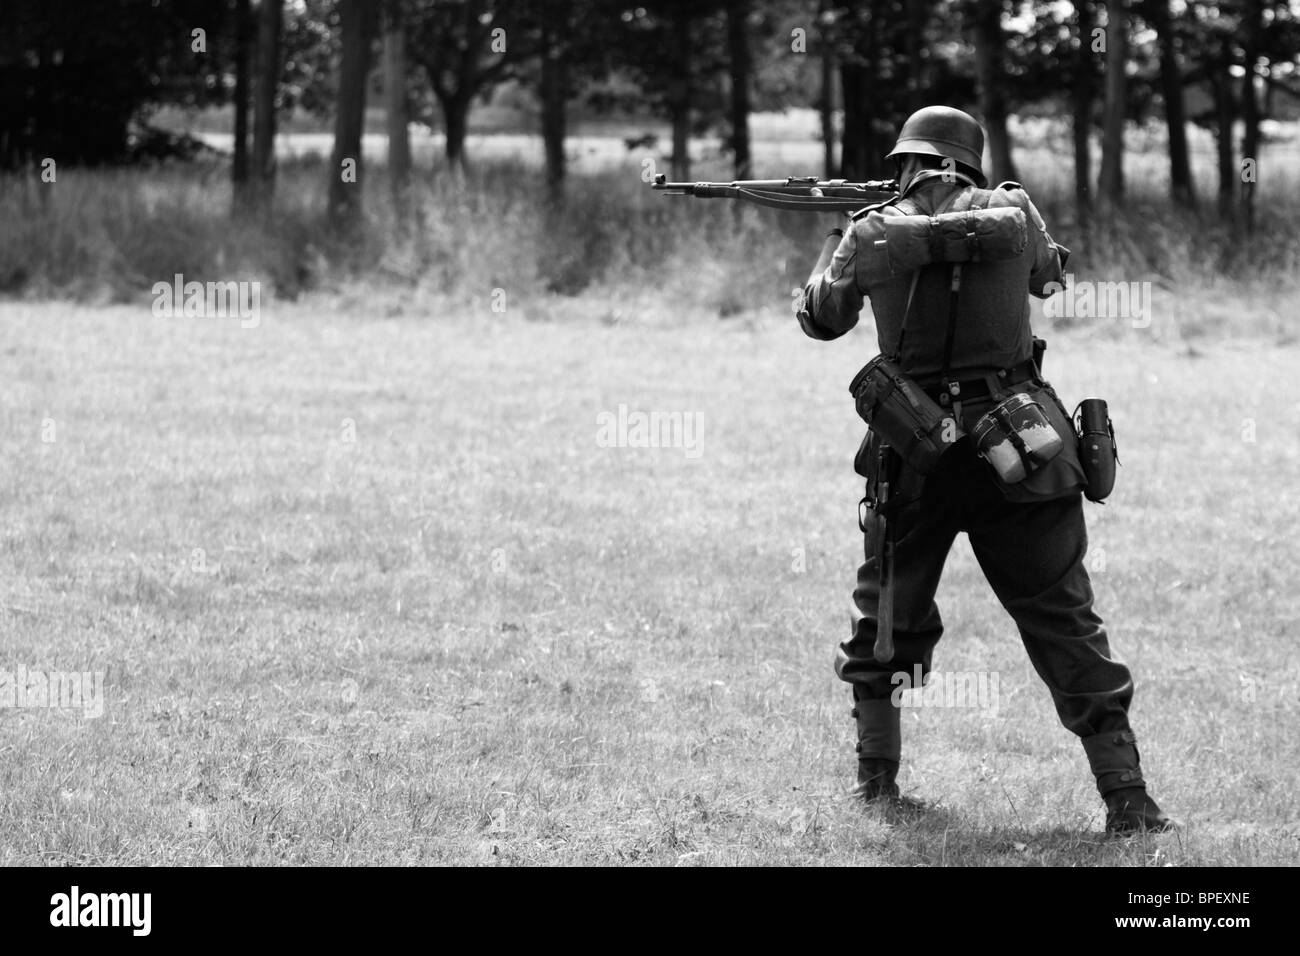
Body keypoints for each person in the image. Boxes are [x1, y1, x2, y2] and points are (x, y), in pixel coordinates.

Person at [798, 105, 1175, 835]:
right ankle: (1129, 799)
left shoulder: (871, 227)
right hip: (1022, 450)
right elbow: (1050, 277)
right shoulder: (1015, 213)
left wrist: (832, 240)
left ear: (906, 159)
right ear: (971, 161)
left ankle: (875, 783)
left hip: (912, 455)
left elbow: (821, 319)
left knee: (887, 616)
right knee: (1064, 620)